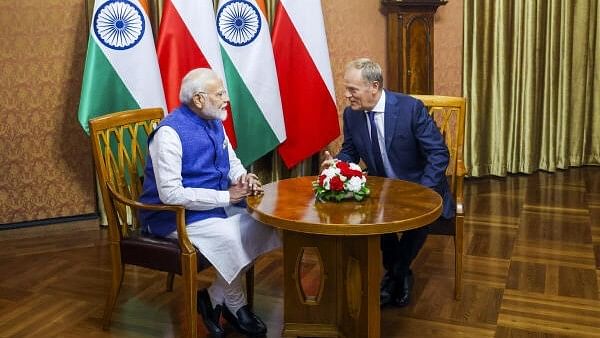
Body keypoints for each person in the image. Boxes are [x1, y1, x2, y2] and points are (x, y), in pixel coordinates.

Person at [138, 68, 281, 337]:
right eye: (220, 93)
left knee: (263, 223)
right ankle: (235, 305)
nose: (226, 98)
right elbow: (170, 195)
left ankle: (213, 297)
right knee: (231, 238)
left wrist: (243, 176)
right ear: (199, 99)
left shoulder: (215, 120)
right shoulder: (168, 134)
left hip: (211, 206)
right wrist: (227, 196)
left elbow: (232, 161)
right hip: (171, 216)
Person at [323, 58, 455, 307]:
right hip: (381, 188)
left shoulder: (410, 109)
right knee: (366, 211)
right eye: (346, 89)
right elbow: (350, 151)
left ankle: (395, 274)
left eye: (352, 90)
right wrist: (337, 164)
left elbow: (438, 153)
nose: (347, 95)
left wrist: (422, 192)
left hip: (419, 185)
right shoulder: (352, 115)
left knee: (419, 219)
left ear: (374, 87)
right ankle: (400, 273)